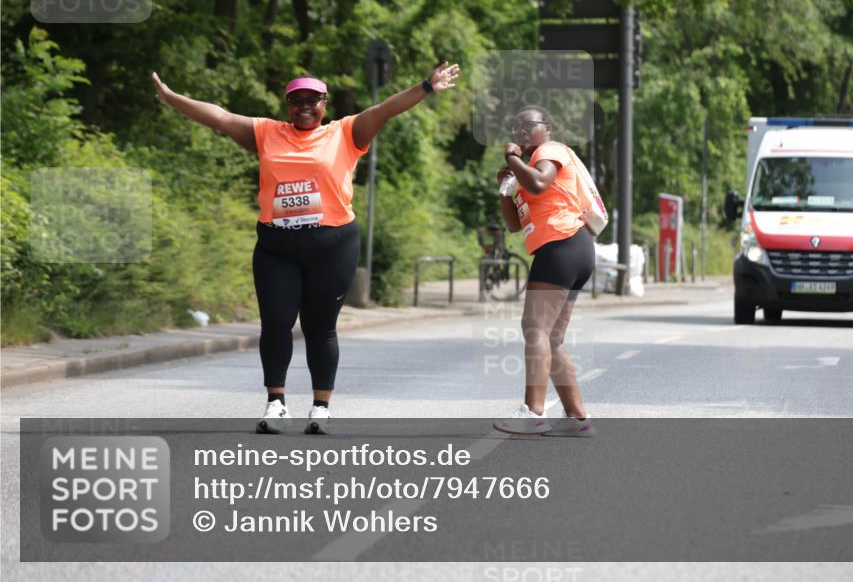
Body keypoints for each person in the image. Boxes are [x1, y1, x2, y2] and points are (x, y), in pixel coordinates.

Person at [151, 63, 460, 433]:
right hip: (277, 247)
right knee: (276, 324)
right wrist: (171, 98)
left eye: (312, 100)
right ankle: (276, 404)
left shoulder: (345, 132)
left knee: (320, 328)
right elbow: (218, 116)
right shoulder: (266, 133)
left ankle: (320, 407)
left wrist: (426, 85)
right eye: (297, 100)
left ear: (324, 104)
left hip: (332, 246)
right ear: (287, 105)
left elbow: (384, 110)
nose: (304, 107)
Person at [493, 106, 596, 437]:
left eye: (528, 126)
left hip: (561, 244)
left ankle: (533, 412)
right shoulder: (527, 167)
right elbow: (513, 224)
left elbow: (539, 184)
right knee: (551, 339)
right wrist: (505, 191)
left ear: (547, 128)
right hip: (572, 248)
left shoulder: (550, 151)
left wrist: (512, 159)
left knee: (534, 328)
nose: (521, 133)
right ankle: (577, 419)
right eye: (516, 128)